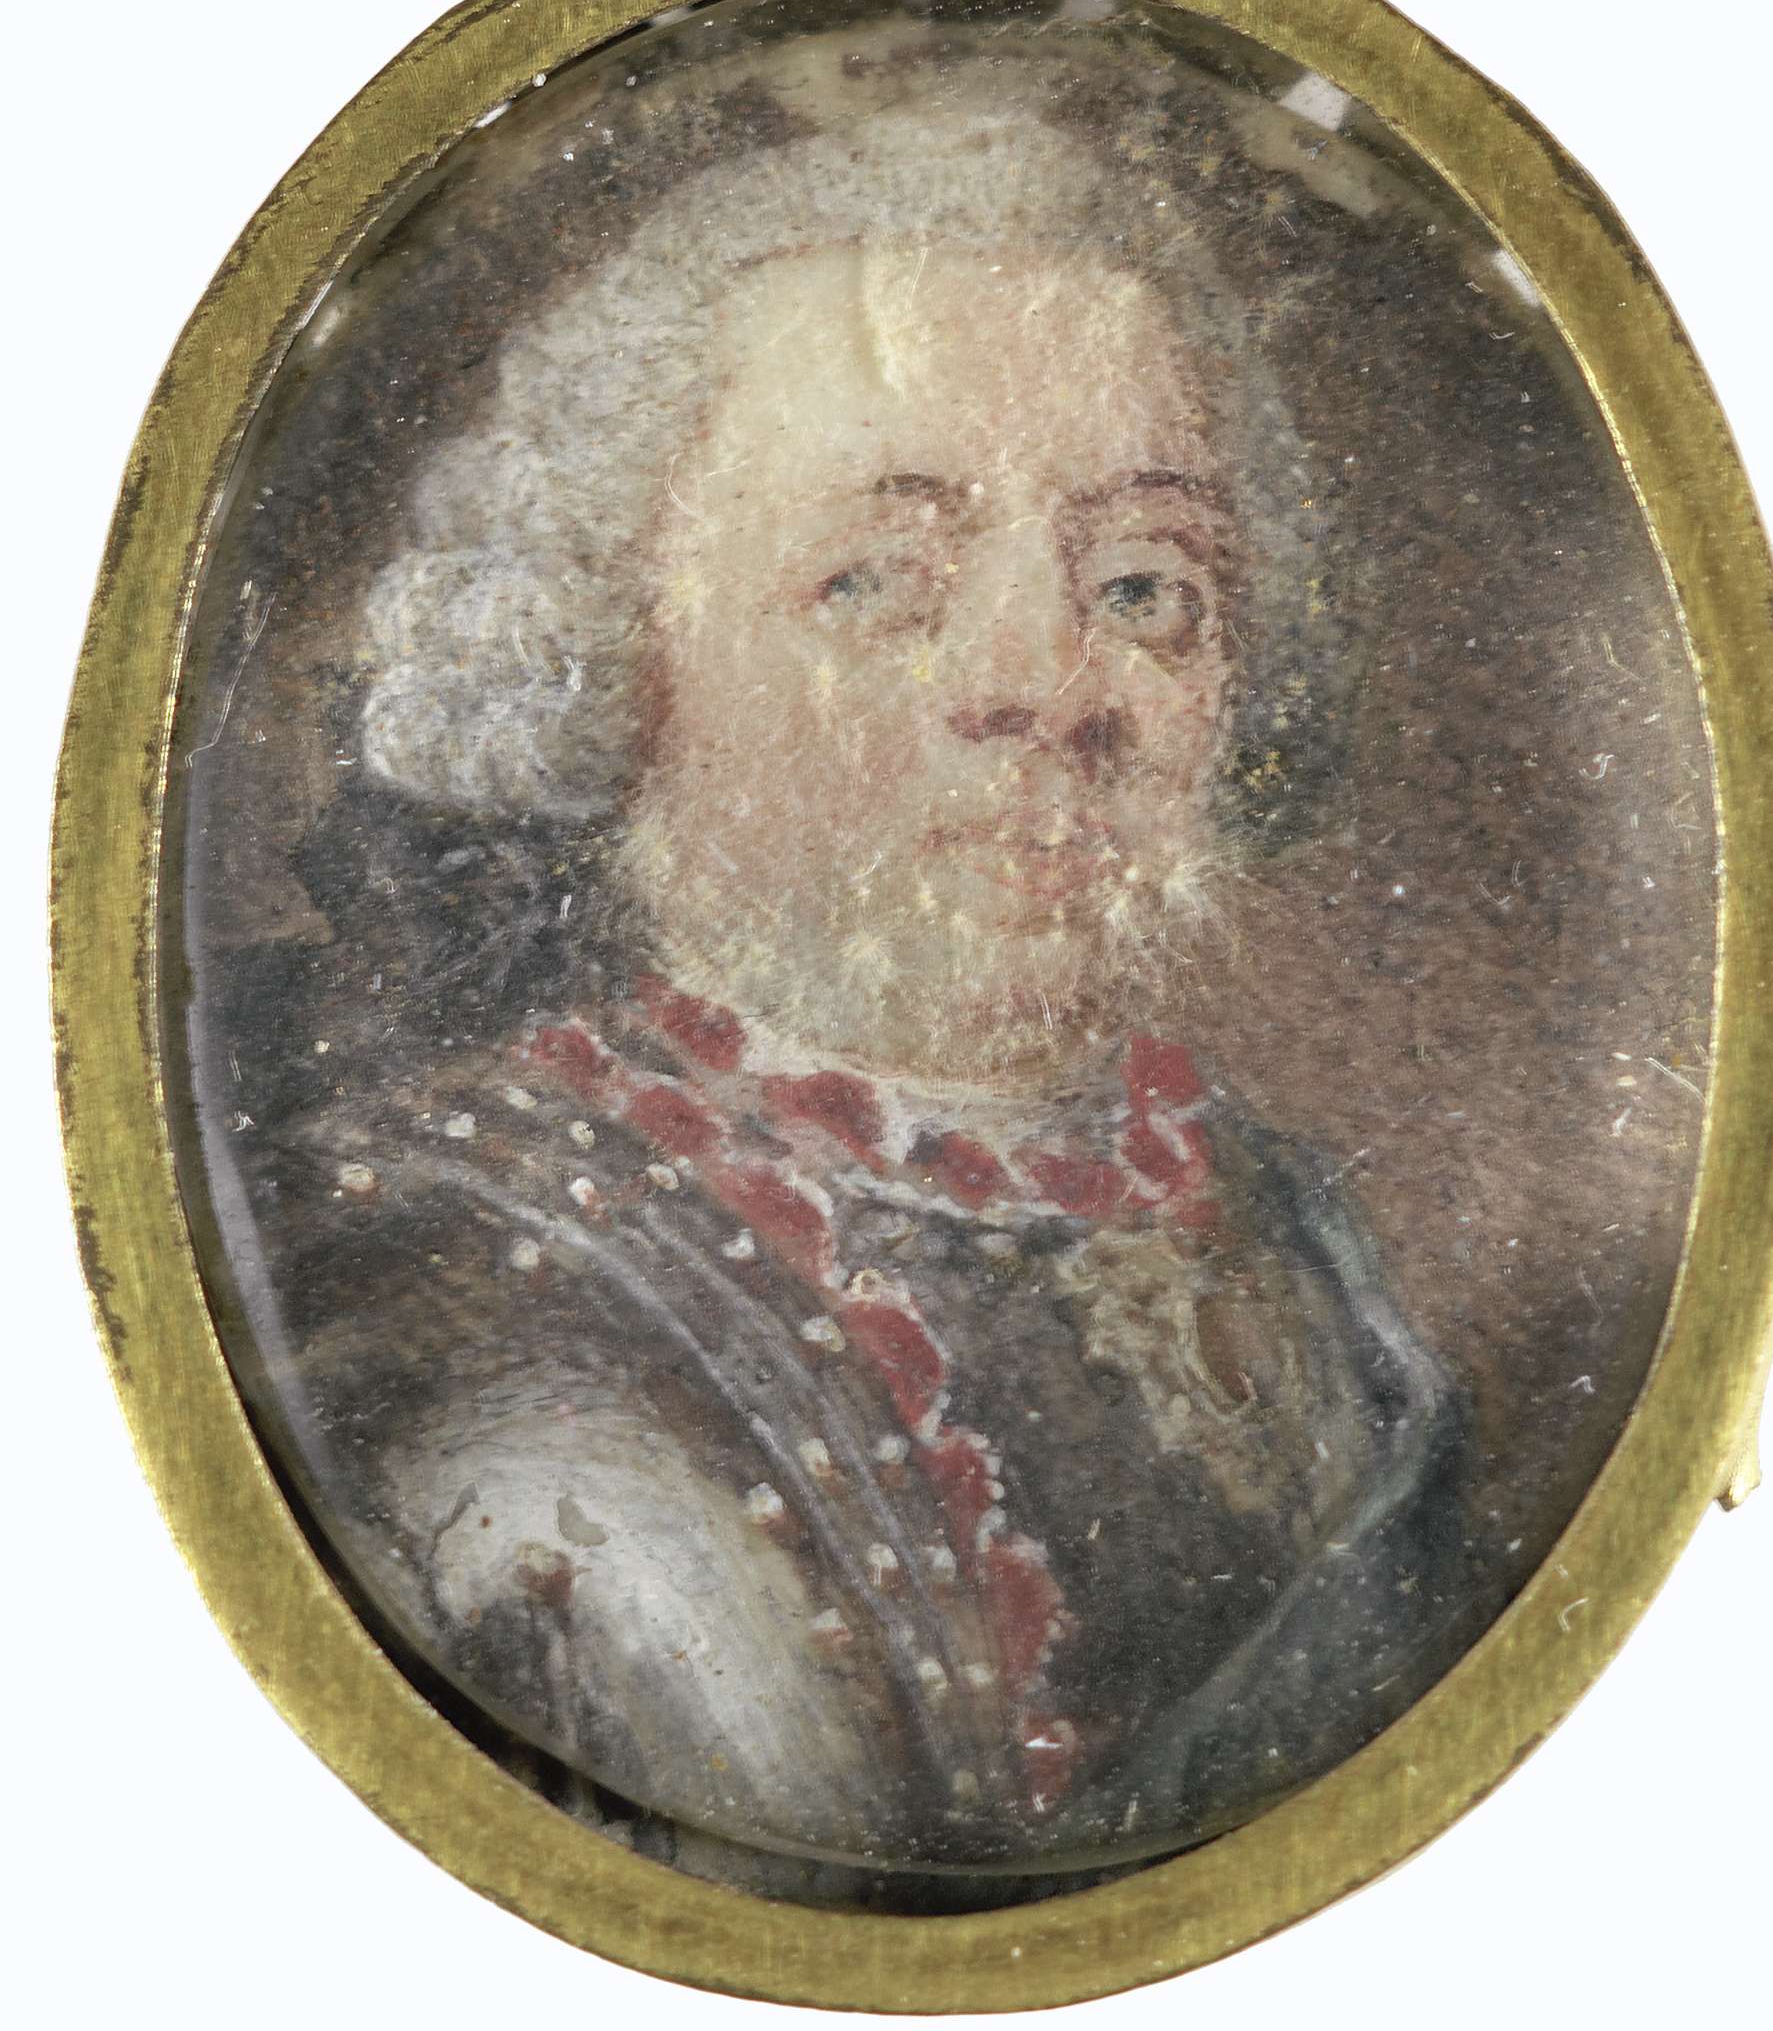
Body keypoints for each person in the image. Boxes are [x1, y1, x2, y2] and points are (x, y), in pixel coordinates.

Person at [236, 112, 1467, 1908]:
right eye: (874, 582)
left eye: (1143, 586)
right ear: (606, 652)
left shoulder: (1293, 1234)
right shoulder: (432, 1294)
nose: (1047, 685)